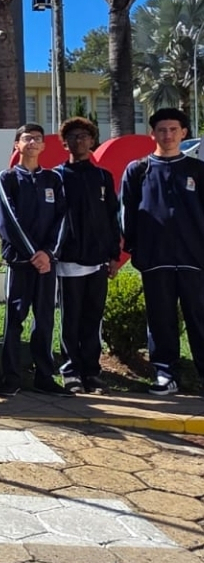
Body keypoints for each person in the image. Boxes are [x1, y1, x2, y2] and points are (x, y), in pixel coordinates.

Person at [121, 107, 204, 395]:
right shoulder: (138, 169)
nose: (167, 135)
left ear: (183, 133)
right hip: (155, 259)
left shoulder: (197, 170)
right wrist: (136, 249)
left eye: (173, 130)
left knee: (199, 317)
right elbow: (127, 214)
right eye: (162, 130)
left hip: (195, 260)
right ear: (152, 133)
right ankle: (166, 376)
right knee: (160, 319)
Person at [0, 124, 71, 397]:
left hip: (47, 264)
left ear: (43, 146)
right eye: (27, 138)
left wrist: (48, 254)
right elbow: (8, 221)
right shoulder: (7, 179)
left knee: (45, 320)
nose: (32, 142)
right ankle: (11, 377)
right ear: (17, 144)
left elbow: (63, 220)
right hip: (19, 263)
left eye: (37, 139)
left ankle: (44, 376)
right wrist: (31, 254)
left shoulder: (53, 180)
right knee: (14, 318)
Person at [55, 117, 121, 394]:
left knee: (93, 318)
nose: (79, 140)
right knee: (71, 317)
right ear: (65, 142)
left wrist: (113, 255)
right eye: (74, 136)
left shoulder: (103, 177)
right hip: (69, 259)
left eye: (85, 136)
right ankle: (71, 372)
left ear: (93, 141)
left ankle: (92, 373)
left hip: (98, 260)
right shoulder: (56, 176)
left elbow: (111, 218)